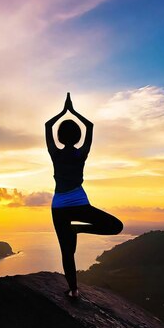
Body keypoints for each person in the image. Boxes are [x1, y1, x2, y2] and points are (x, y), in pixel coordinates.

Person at [45, 92, 123, 299]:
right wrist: (74, 112)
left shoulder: (56, 153)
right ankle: (79, 229)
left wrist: (63, 112)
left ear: (60, 137)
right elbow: (90, 127)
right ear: (77, 136)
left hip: (59, 207)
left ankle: (74, 289)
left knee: (67, 252)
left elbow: (47, 126)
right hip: (80, 204)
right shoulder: (81, 154)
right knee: (116, 226)